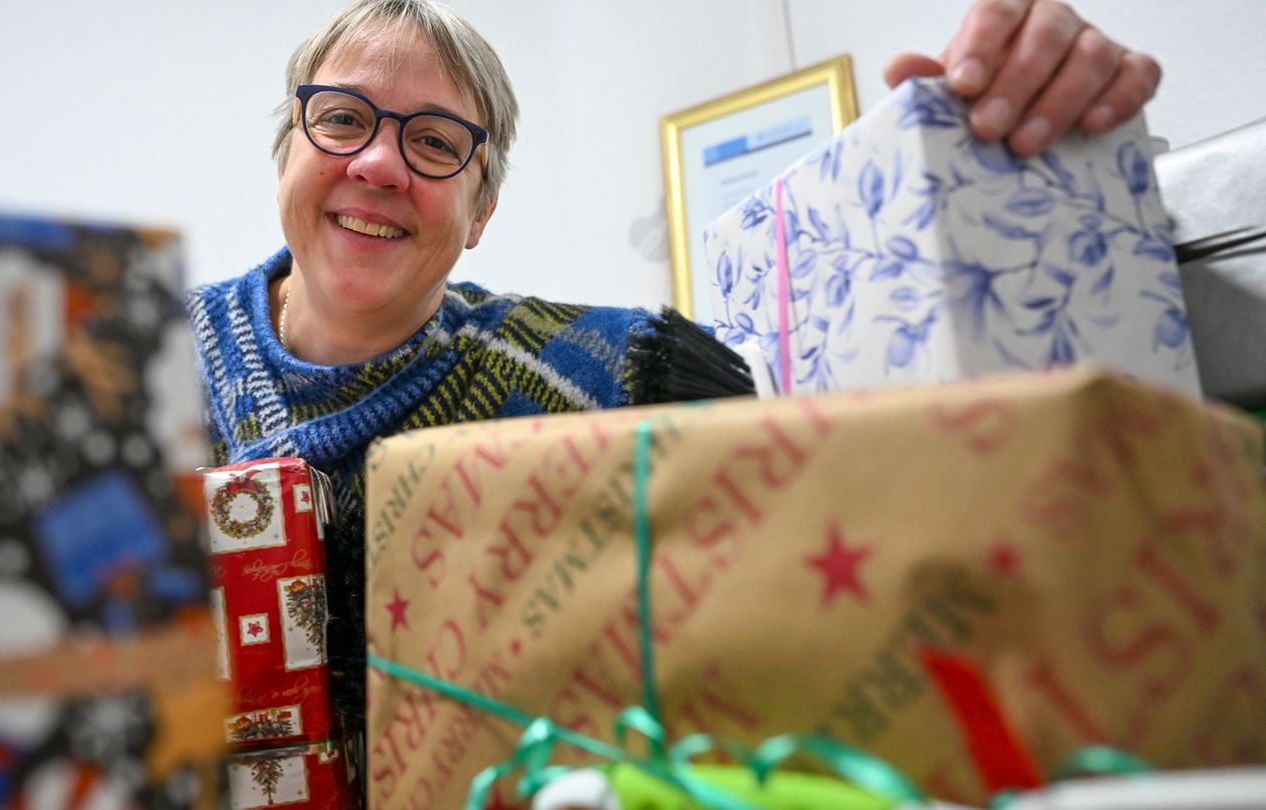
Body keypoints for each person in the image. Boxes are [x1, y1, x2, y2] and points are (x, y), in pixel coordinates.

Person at [188, 0, 1161, 734]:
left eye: (436, 142)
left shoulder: (623, 376)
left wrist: (1014, 161)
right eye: (343, 119)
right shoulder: (134, 373)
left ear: (482, 211)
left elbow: (820, 608)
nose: (380, 165)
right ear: (287, 152)